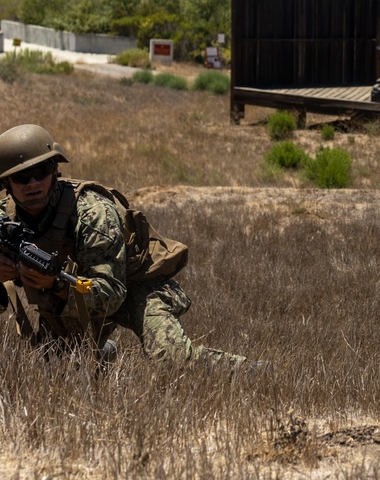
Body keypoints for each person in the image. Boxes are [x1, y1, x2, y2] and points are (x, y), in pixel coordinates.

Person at [0, 123, 251, 371]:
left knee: (172, 361)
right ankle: (101, 352)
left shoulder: (93, 214)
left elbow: (112, 294)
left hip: (135, 286)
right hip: (73, 294)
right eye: (22, 177)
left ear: (55, 170)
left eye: (42, 170)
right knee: (54, 366)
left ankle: (249, 370)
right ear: (7, 184)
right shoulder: (5, 221)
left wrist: (54, 285)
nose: (33, 183)